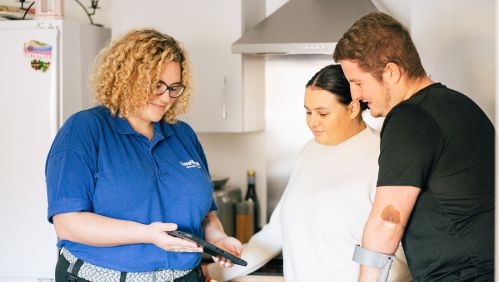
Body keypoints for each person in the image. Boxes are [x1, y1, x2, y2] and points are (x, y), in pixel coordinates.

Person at [45, 29, 242, 282]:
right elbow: (68, 223)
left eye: (174, 87)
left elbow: (205, 214)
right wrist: (146, 234)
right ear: (126, 78)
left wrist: (219, 239)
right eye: (156, 85)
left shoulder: (183, 135)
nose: (166, 97)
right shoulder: (84, 129)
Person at [207, 64, 412, 282]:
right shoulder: (310, 151)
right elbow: (276, 232)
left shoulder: (383, 156)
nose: (312, 122)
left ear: (352, 108)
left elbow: (400, 257)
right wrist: (211, 272)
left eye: (322, 113)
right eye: (308, 111)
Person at [333, 12, 495, 282]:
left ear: (391, 72)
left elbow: (388, 221)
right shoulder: (462, 105)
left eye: (358, 83)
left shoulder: (409, 117)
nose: (355, 96)